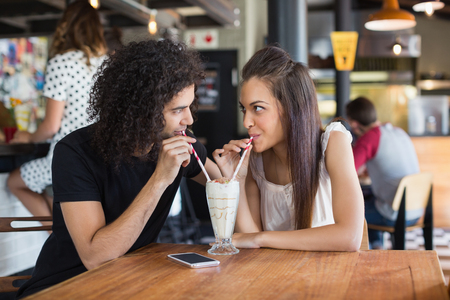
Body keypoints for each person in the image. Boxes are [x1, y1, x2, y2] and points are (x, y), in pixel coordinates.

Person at [16, 39, 221, 299]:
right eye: (178, 109)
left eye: (190, 106)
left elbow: (225, 185)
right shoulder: (76, 153)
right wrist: (160, 179)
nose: (189, 119)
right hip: (68, 285)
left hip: (129, 281)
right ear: (143, 110)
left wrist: (238, 171)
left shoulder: (178, 143)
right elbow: (96, 259)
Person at [212, 45, 364, 251]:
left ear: (291, 108)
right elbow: (249, 240)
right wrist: (235, 180)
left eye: (257, 108)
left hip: (328, 275)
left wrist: (262, 239)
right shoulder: (254, 161)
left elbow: (350, 237)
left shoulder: (332, 142)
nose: (246, 121)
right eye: (244, 109)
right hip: (277, 277)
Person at [7, 0, 108, 222]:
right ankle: (67, 233)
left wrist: (28, 137)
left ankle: (60, 235)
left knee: (14, 182)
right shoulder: (108, 64)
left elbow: (50, 127)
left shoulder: (61, 62)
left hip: (67, 157)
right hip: (101, 158)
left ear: (67, 26)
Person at [346, 96, 420, 249]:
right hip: (417, 209)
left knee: (349, 215)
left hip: (394, 213)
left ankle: (373, 249)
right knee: (370, 201)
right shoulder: (398, 132)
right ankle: (377, 246)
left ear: (353, 123)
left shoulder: (370, 138)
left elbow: (346, 170)